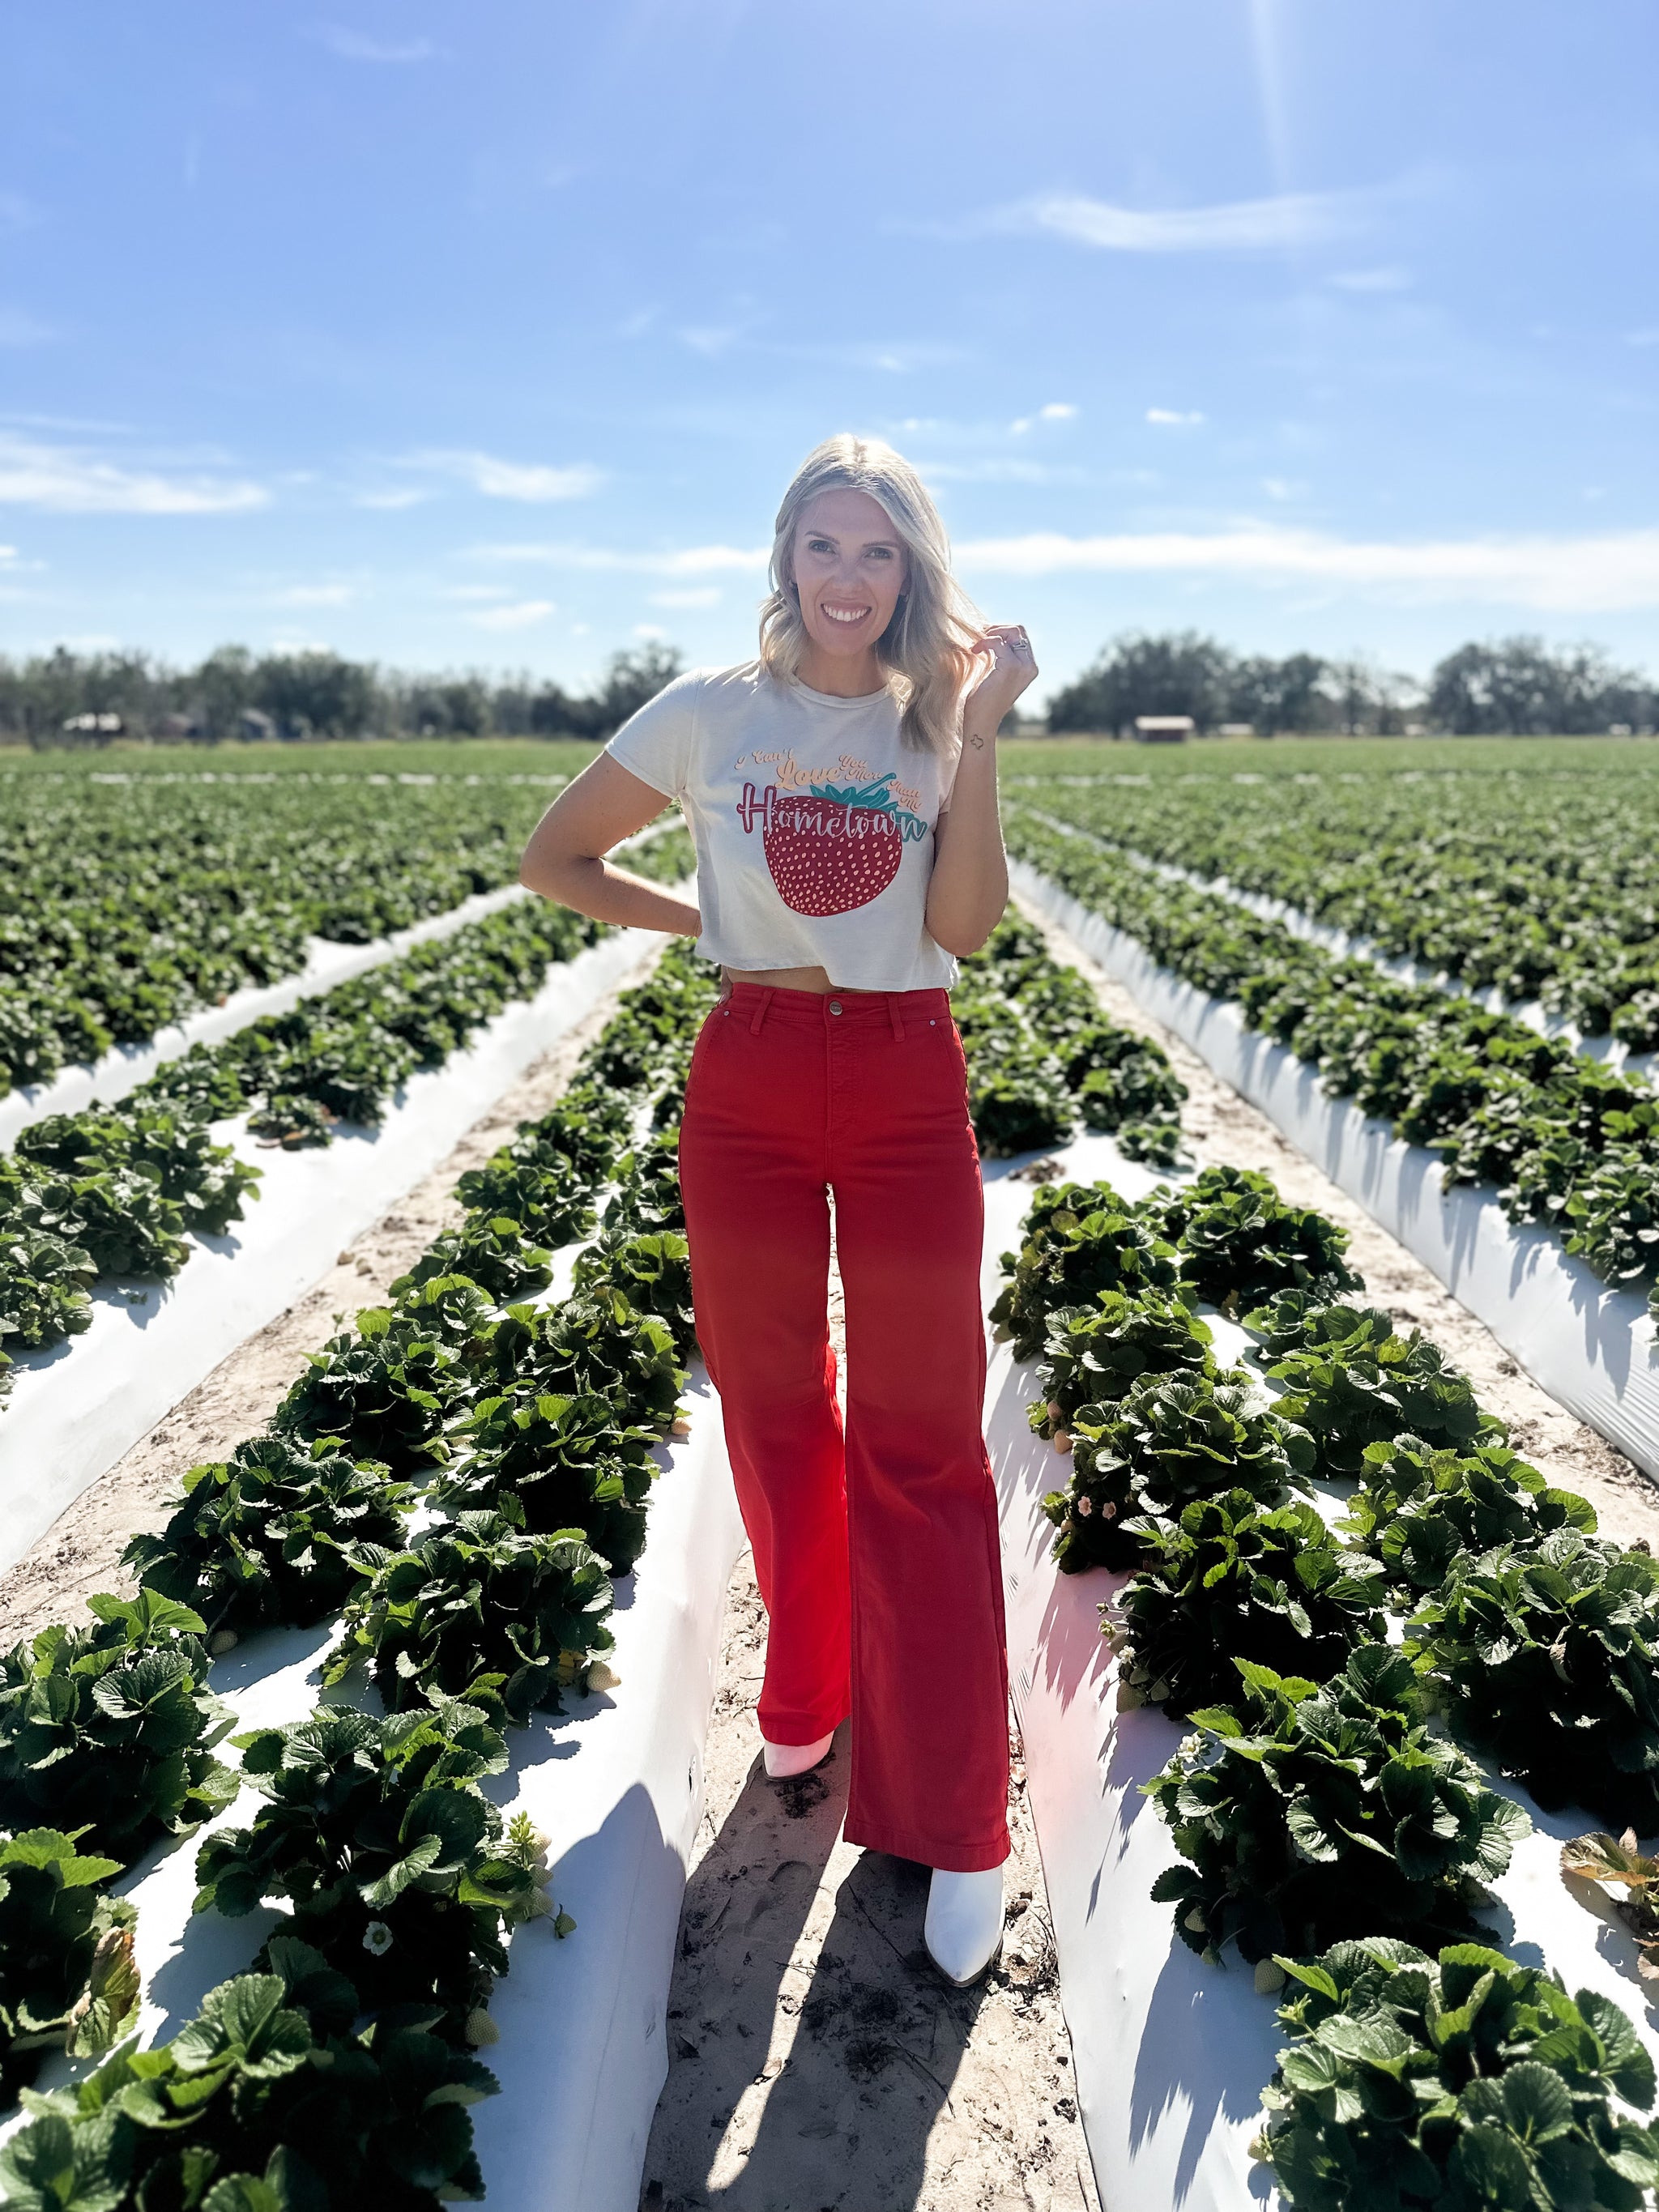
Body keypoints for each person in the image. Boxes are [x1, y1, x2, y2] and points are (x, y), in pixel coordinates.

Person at [519, 433, 1037, 1985]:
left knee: (924, 1439)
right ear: (784, 557)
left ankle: (958, 1820)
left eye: (879, 552)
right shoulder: (708, 713)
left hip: (904, 1076)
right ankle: (808, 1682)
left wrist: (981, 738)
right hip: (745, 1075)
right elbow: (557, 857)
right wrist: (710, 919)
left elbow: (965, 928)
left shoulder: (931, 717)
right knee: (770, 1405)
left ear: (911, 572)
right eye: (825, 546)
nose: (848, 579)